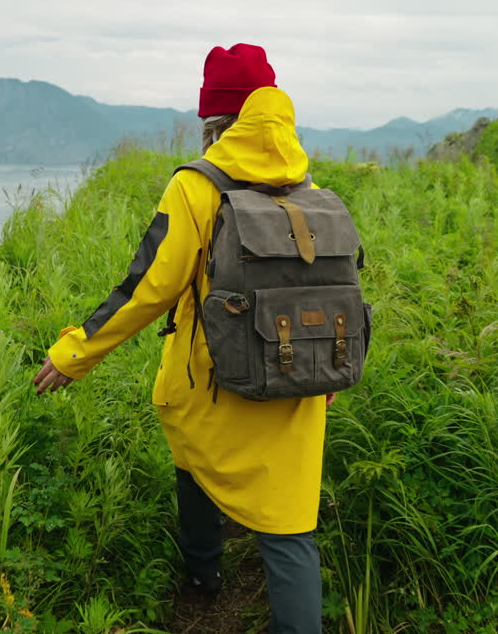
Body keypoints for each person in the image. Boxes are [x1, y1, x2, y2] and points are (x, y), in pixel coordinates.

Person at [33, 43, 328, 634]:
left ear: (215, 121)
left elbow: (147, 289)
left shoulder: (196, 187)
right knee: (290, 529)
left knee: (193, 453)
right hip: (297, 376)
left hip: (215, 379)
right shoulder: (305, 183)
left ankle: (202, 580)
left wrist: (74, 353)